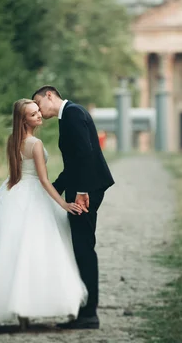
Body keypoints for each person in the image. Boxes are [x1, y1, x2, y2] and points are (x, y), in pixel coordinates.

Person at [0, 99, 87, 330]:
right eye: (33, 114)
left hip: (12, 192)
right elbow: (43, 180)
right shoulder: (36, 144)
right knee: (35, 250)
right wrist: (63, 204)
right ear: (24, 120)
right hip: (32, 193)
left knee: (7, 250)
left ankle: (0, 308)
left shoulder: (13, 141)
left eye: (38, 111)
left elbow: (16, 173)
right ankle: (25, 312)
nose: (39, 115)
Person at [32, 86, 115, 330]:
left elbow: (85, 155)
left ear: (50, 95)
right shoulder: (68, 115)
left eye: (38, 103)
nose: (38, 109)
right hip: (84, 188)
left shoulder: (73, 114)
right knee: (80, 247)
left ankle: (89, 314)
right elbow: (73, 163)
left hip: (86, 193)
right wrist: (53, 189)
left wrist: (81, 191)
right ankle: (83, 309)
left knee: (83, 249)